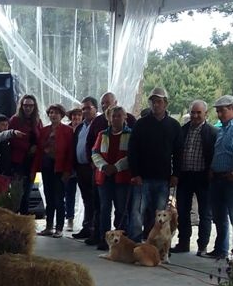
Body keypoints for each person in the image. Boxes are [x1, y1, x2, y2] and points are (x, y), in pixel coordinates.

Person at [127, 87, 180, 241]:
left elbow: (178, 153)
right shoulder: (141, 124)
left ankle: (158, 244)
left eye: (159, 101)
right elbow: (132, 150)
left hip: (163, 178)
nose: (156, 105)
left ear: (166, 103)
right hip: (142, 178)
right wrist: (135, 174)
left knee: (161, 215)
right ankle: (135, 243)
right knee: (137, 212)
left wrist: (176, 174)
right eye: (153, 102)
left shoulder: (174, 125)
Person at [208, 94, 233, 261]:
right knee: (219, 216)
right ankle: (221, 248)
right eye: (217, 111)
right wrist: (212, 168)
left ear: (232, 108)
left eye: (222, 111)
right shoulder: (222, 129)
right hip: (217, 177)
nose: (219, 114)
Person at [173, 100, 215, 256]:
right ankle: (183, 243)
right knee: (183, 212)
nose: (195, 115)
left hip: (203, 177)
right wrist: (175, 174)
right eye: (193, 112)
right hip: (184, 176)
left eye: (199, 112)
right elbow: (176, 154)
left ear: (206, 114)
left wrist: (211, 172)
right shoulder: (182, 130)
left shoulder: (212, 132)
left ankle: (202, 246)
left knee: (205, 213)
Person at [91, 104, 132, 248]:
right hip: (104, 178)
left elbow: (131, 155)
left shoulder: (130, 135)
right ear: (109, 118)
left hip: (122, 178)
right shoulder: (102, 134)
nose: (115, 119)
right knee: (104, 210)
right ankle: (105, 239)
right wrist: (104, 166)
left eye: (119, 116)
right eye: (113, 116)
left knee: (121, 210)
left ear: (125, 117)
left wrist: (116, 167)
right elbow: (95, 153)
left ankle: (121, 241)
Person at [39, 104, 73, 237]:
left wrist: (67, 170)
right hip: (46, 167)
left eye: (57, 113)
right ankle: (48, 226)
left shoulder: (68, 130)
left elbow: (70, 152)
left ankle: (59, 227)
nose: (53, 115)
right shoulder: (44, 130)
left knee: (59, 199)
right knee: (49, 198)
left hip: (60, 168)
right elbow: (40, 150)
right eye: (51, 112)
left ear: (62, 115)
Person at [71, 97, 99, 240]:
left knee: (95, 199)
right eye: (83, 109)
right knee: (86, 199)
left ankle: (95, 229)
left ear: (96, 109)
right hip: (81, 168)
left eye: (88, 108)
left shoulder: (99, 124)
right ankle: (87, 227)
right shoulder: (80, 127)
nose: (85, 111)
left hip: (93, 167)